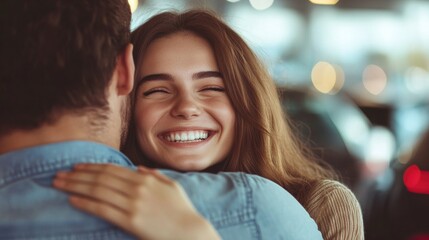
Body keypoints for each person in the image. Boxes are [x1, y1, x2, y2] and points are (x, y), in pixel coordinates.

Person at [0, 1, 323, 240]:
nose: (186, 107)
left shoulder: (314, 202)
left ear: (248, 99)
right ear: (126, 82)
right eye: (156, 90)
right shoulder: (261, 211)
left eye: (211, 87)